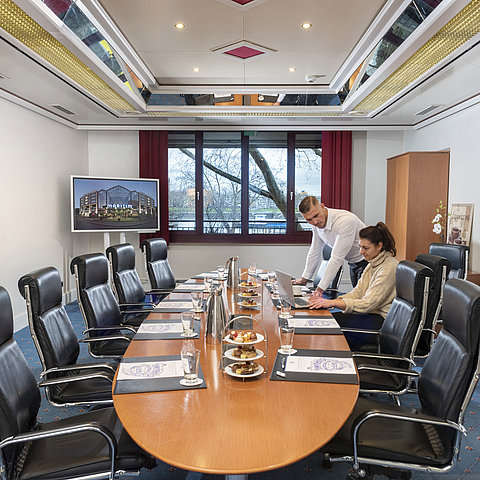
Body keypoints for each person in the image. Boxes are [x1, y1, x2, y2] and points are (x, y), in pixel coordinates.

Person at [307, 222, 399, 347]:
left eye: (365, 248)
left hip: (381, 322)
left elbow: (368, 304)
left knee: (329, 327)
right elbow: (357, 292)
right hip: (370, 314)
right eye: (360, 247)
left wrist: (333, 303)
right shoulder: (372, 263)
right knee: (326, 321)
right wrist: (336, 300)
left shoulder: (388, 268)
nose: (361, 252)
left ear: (379, 246)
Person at [295, 196, 368, 296]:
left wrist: (320, 290)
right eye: (309, 220)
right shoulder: (316, 225)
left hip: (369, 262)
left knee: (365, 302)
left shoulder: (345, 221)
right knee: (360, 300)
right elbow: (314, 251)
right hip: (353, 263)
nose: (314, 222)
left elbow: (336, 259)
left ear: (322, 206)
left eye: (316, 216)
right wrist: (304, 279)